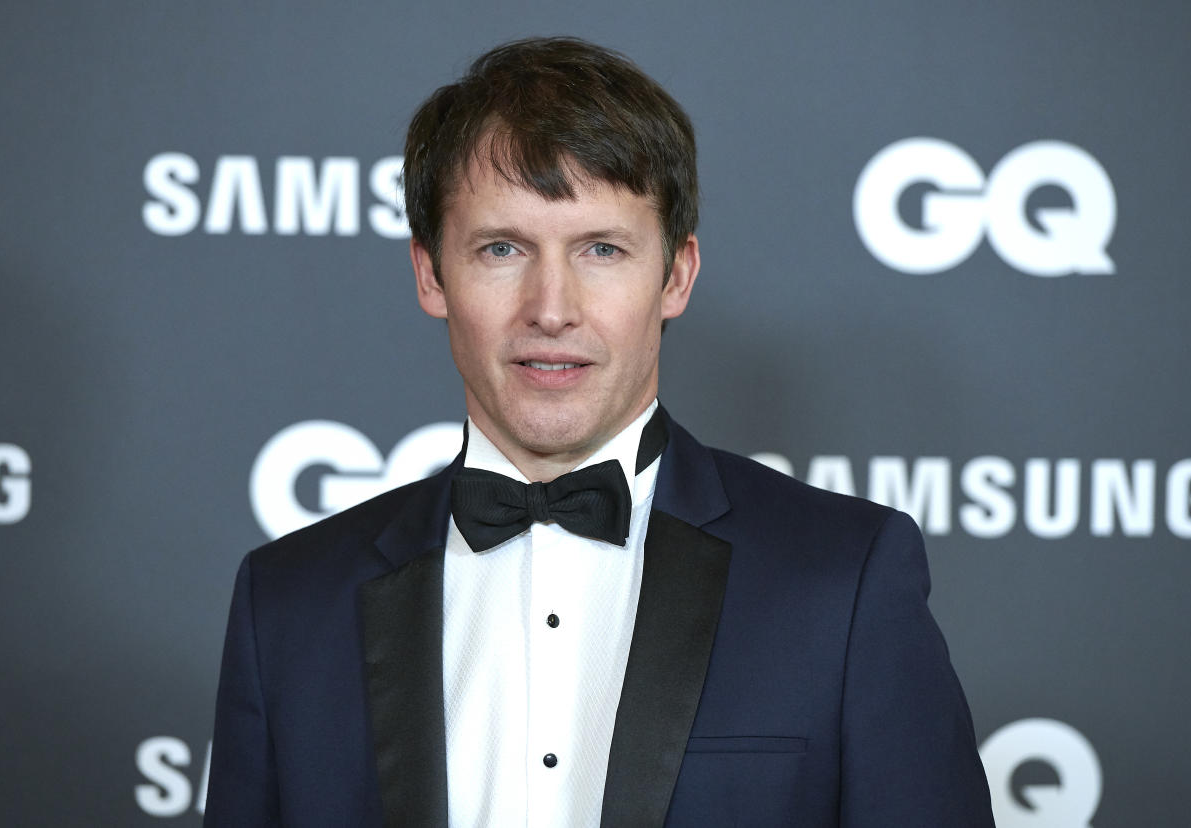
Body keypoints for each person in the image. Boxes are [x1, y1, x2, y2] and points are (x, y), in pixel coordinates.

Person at [205, 36, 994, 827]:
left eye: (603, 249)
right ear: (430, 273)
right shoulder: (288, 606)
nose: (552, 308)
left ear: (675, 275)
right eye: (503, 248)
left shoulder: (843, 582)